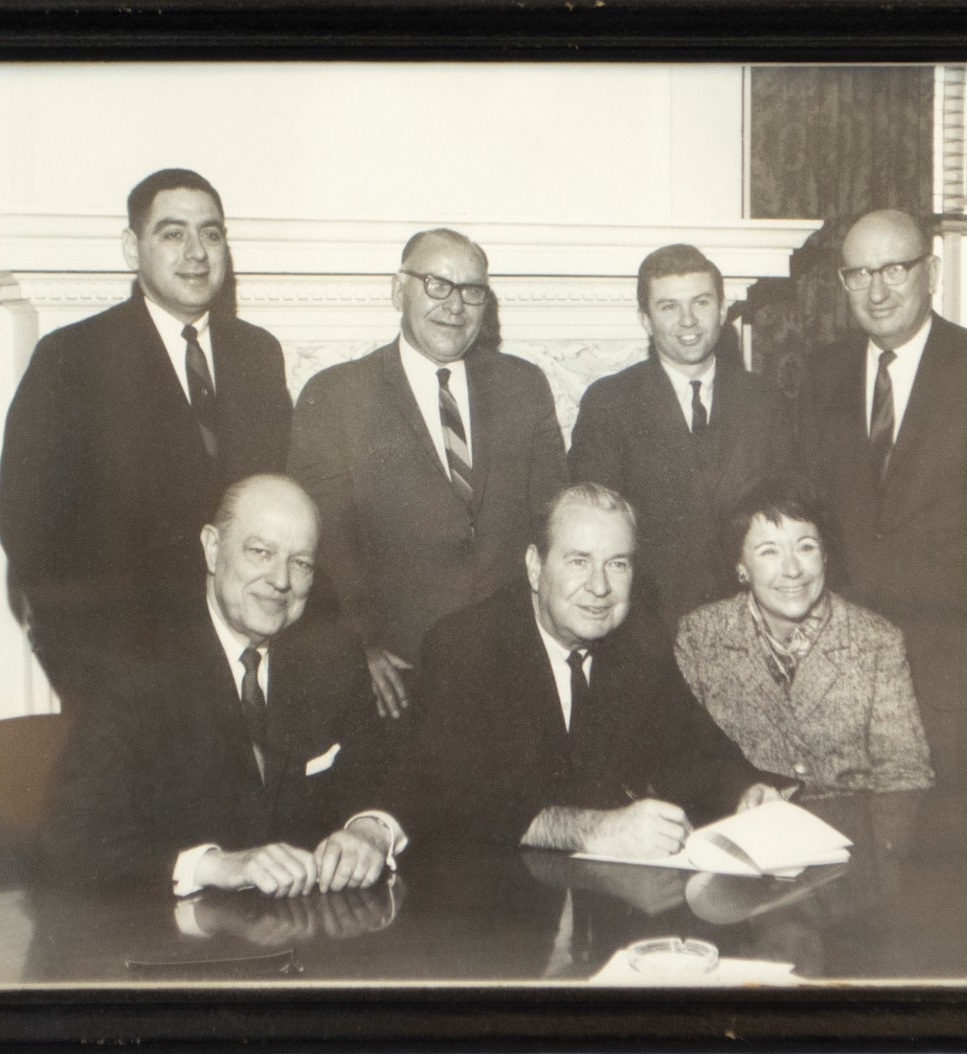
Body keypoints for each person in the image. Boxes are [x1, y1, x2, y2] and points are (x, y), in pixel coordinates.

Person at [0, 169, 292, 705]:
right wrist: (79, 668)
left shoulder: (258, 353)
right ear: (133, 248)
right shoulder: (72, 356)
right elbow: (28, 528)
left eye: (211, 233)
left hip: (244, 664)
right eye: (172, 233)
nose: (197, 253)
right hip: (123, 673)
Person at [42, 475, 404, 897]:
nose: (281, 580)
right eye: (261, 553)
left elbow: (389, 776)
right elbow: (70, 843)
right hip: (183, 944)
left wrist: (371, 829)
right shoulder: (136, 669)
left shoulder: (335, 657)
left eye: (300, 562)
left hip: (311, 938)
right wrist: (214, 866)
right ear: (213, 549)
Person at [400, 482, 789, 856]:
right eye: (579, 561)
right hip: (496, 898)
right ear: (536, 568)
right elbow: (451, 798)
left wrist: (744, 790)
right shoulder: (464, 645)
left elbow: (692, 744)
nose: (600, 587)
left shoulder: (637, 638)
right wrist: (593, 830)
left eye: (617, 564)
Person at [807, 208, 967, 787]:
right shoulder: (824, 373)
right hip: (853, 671)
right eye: (858, 273)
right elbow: (816, 505)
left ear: (932, 271)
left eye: (894, 268)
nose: (877, 289)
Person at [288, 227, 567, 718]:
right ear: (399, 290)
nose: (455, 306)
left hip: (515, 668)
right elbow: (317, 545)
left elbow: (554, 522)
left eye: (472, 291)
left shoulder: (524, 386)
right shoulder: (336, 395)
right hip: (397, 678)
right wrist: (357, 651)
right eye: (437, 284)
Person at [569, 244, 789, 636]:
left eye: (701, 303)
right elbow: (598, 534)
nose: (688, 321)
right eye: (669, 307)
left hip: (753, 628)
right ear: (646, 319)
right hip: (647, 633)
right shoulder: (610, 403)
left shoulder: (766, 401)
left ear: (722, 311)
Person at [675, 475, 934, 798]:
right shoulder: (700, 637)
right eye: (769, 552)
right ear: (741, 566)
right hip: (748, 830)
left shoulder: (876, 640)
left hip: (850, 833)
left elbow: (905, 775)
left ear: (825, 555)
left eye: (806, 547)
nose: (793, 569)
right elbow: (683, 768)